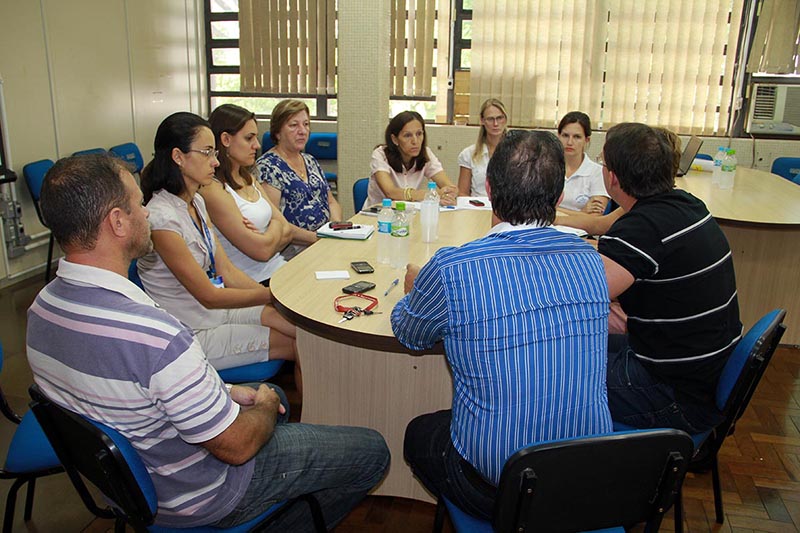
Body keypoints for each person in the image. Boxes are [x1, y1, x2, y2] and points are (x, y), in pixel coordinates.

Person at [26, 153, 390, 530]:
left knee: (275, 396)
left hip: (133, 488)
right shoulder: (158, 336)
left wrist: (226, 391)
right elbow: (237, 445)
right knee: (372, 451)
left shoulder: (41, 312)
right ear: (117, 222)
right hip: (205, 493)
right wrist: (263, 404)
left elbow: (136, 390)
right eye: (137, 203)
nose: (147, 212)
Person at [393, 130, 612, 519]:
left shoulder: (454, 267)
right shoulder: (592, 261)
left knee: (419, 433)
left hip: (501, 487)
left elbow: (410, 334)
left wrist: (414, 290)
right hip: (585, 478)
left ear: (490, 189)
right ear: (559, 196)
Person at [597, 122, 742, 434]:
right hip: (705, 375)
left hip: (677, 396)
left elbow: (578, 296)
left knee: (556, 374)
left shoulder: (639, 230)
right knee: (589, 342)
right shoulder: (689, 206)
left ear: (613, 177)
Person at [137, 112, 298, 375]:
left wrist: (274, 301)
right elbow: (209, 296)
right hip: (193, 332)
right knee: (300, 344)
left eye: (214, 152)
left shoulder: (197, 203)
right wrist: (274, 295)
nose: (215, 161)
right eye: (207, 153)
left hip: (219, 313)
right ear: (178, 157)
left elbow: (227, 272)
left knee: (301, 329)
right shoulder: (162, 219)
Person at [201, 104, 292, 285]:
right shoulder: (212, 188)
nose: (257, 145)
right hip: (254, 282)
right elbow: (261, 252)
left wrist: (266, 236)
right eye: (249, 138)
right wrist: (275, 228)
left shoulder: (248, 178)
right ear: (226, 139)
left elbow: (287, 230)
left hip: (280, 269)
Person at [255, 99, 342, 260]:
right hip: (292, 250)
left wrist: (335, 226)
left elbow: (331, 202)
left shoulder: (310, 160)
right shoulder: (268, 167)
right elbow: (274, 221)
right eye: (294, 125)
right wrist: (317, 238)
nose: (302, 131)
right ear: (277, 132)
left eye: (306, 124)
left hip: (324, 242)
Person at [365, 110, 458, 208]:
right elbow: (391, 192)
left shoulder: (426, 154)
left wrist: (449, 194)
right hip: (380, 213)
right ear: (394, 139)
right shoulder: (380, 154)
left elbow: (448, 186)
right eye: (407, 135)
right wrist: (432, 195)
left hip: (410, 213)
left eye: (419, 134)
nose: (415, 141)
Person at [556, 111, 609, 215]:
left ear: (587, 140)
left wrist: (553, 211)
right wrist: (582, 212)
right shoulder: (545, 168)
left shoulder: (598, 172)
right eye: (565, 135)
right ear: (558, 136)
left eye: (577, 137)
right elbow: (533, 209)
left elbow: (594, 217)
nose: (570, 142)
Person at [456, 98, 508, 196]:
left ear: (505, 119)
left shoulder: (517, 153)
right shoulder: (468, 154)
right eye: (490, 119)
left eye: (499, 118)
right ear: (482, 120)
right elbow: (462, 193)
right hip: (478, 204)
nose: (495, 124)